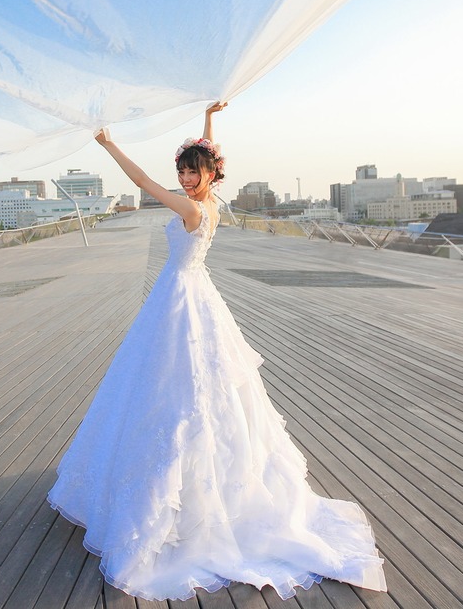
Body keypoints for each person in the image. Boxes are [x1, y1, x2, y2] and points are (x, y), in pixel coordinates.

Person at [47, 102, 386, 601]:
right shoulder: (211, 202)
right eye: (181, 172)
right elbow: (209, 154)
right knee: (187, 387)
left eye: (193, 171)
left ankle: (184, 487)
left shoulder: (191, 209)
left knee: (179, 389)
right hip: (190, 294)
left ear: (209, 174)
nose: (185, 178)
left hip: (182, 299)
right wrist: (208, 121)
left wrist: (108, 144)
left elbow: (143, 183)